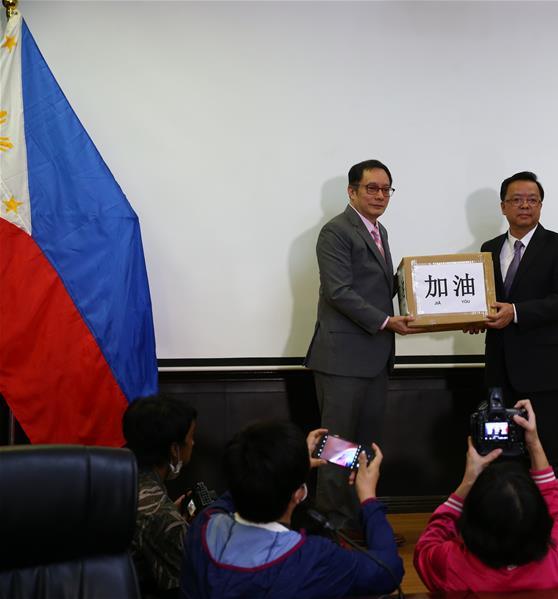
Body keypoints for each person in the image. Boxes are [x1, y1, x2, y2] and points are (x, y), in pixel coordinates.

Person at [304, 159, 414, 532]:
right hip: (342, 360)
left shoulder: (379, 231)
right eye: (372, 188)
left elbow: (377, 288)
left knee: (364, 447)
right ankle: (333, 526)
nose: (380, 195)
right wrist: (386, 321)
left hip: (374, 358)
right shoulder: (336, 231)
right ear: (352, 192)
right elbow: (338, 291)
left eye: (386, 189)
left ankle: (359, 522)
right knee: (338, 447)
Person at [180, 420, 404, 599]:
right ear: (298, 494)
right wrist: (368, 498)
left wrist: (285, 467)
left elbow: (239, 487)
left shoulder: (203, 526)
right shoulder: (313, 557)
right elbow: (389, 571)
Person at [468, 171, 558, 461]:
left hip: (542, 371)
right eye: (517, 199)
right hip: (498, 370)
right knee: (500, 454)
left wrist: (515, 312)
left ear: (541, 205)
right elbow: (484, 301)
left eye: (532, 199)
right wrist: (474, 317)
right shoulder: (489, 249)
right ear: (503, 206)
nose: (525, 205)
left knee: (544, 451)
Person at [413, 399, 558, 592]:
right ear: (541, 522)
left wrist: (468, 482)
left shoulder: (452, 565)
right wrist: (534, 444)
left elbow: (425, 547)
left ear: (471, 523)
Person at [122, 395, 197, 599]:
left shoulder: (119, 480)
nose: (193, 443)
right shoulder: (163, 518)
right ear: (174, 449)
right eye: (191, 437)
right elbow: (190, 587)